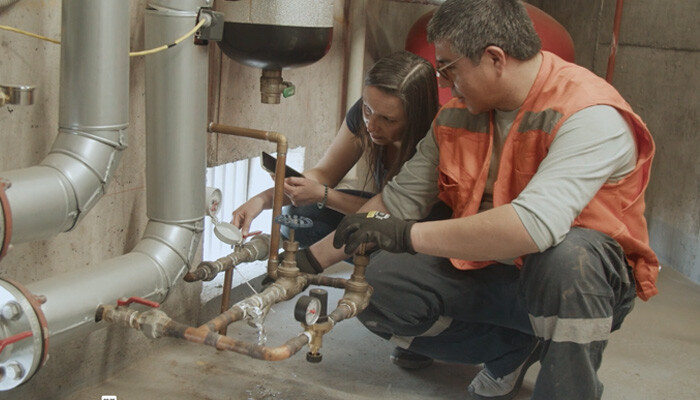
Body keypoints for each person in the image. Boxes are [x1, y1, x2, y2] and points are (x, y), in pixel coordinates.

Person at [302, 1, 659, 399]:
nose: (445, 82)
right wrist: (308, 262)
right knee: (376, 287)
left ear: (494, 59)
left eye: (448, 68)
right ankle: (510, 350)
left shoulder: (588, 114)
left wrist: (407, 235)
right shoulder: (457, 116)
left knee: (567, 259)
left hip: (577, 285)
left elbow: (532, 227)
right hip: (491, 269)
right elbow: (397, 203)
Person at [231, 50, 449, 272]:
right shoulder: (367, 117)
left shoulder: (439, 137)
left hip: (420, 232)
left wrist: (324, 196)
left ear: (416, 117)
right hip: (380, 217)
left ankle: (387, 271)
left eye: (388, 119)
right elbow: (325, 173)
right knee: (298, 216)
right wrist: (262, 200)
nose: (371, 125)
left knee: (386, 264)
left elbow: (392, 212)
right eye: (367, 109)